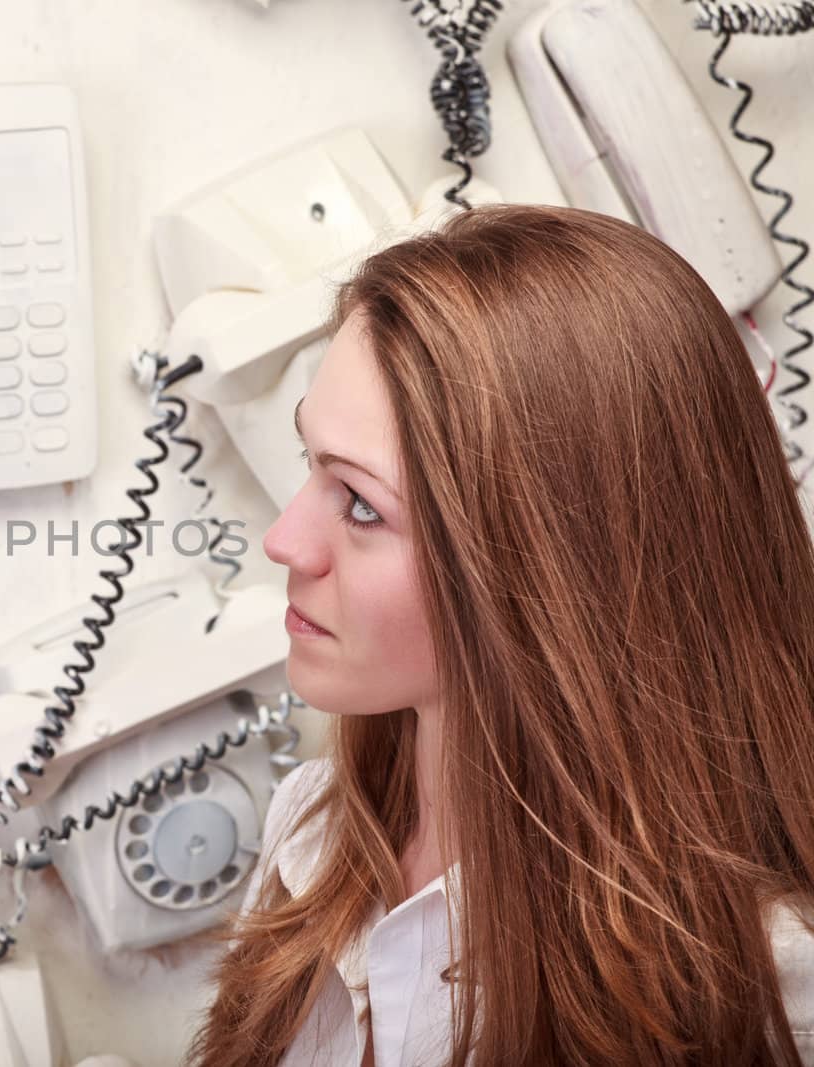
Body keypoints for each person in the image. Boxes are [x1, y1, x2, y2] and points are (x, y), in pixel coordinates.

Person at [191, 204, 814, 1066]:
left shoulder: (764, 993)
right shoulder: (313, 830)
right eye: (312, 466)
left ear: (554, 573)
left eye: (363, 504)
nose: (284, 540)